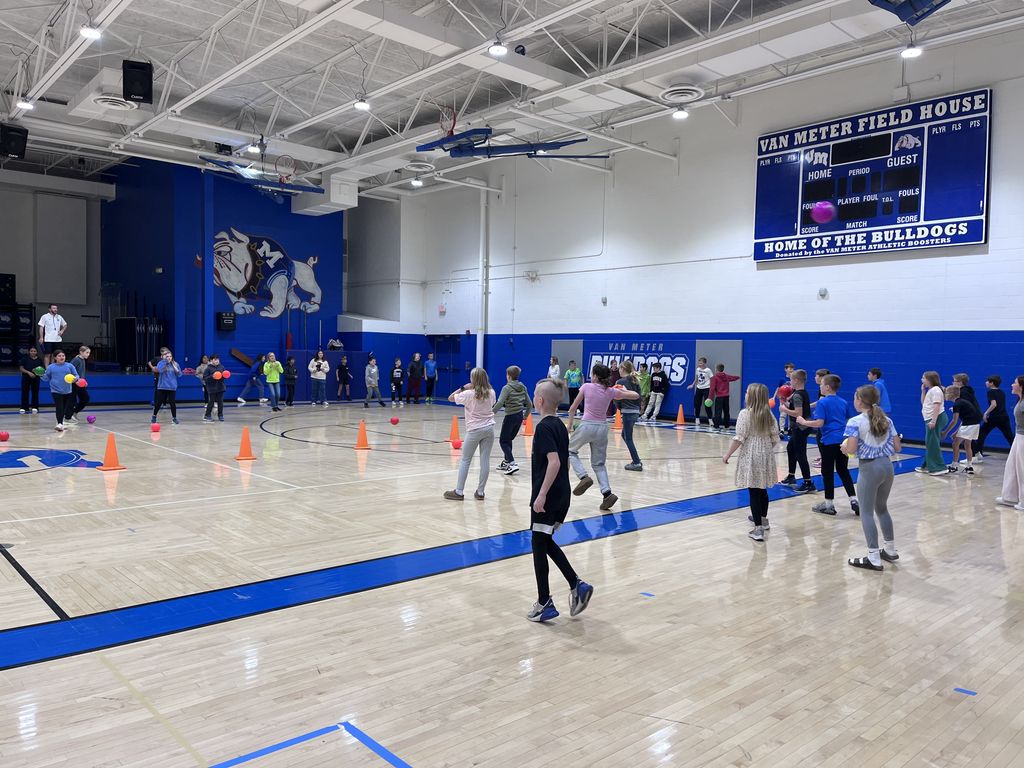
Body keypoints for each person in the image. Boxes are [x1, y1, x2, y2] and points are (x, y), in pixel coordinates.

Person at [526, 377, 593, 623]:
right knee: (543, 542)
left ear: (540, 400)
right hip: (562, 493)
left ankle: (544, 601)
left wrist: (541, 494)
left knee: (538, 544)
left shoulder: (544, 427)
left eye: (534, 394)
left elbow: (554, 462)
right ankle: (577, 585)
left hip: (549, 493)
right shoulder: (559, 426)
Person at [842, 385, 902, 571]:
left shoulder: (855, 421)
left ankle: (873, 557)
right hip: (887, 466)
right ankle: (890, 550)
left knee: (866, 512)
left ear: (859, 400)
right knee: (882, 509)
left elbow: (851, 450)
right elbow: (897, 447)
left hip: (869, 468)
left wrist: (845, 449)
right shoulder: (887, 420)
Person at [566, 363, 640, 511]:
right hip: (602, 428)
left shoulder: (586, 387)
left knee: (570, 451)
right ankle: (607, 494)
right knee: (599, 464)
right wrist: (623, 389)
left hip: (587, 425)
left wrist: (569, 426)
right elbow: (636, 395)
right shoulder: (611, 391)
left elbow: (572, 408)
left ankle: (583, 477)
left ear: (595, 376)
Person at [723, 383, 779, 542]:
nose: (745, 394)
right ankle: (763, 519)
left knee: (753, 490)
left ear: (752, 397)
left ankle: (758, 529)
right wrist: (765, 448)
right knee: (762, 489)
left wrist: (727, 455)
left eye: (747, 392)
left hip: (751, 454)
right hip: (766, 453)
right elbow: (775, 438)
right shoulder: (769, 415)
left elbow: (739, 438)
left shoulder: (745, 414)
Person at [797, 373, 859, 515]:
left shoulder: (822, 402)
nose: (819, 387)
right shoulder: (843, 402)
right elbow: (848, 419)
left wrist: (804, 422)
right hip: (843, 441)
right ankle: (854, 499)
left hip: (829, 441)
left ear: (827, 387)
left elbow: (819, 423)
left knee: (828, 472)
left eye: (821, 384)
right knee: (843, 471)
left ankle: (829, 504)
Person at [444, 368, 496, 501]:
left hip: (474, 430)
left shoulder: (468, 394)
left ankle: (459, 491)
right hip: (489, 428)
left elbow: (450, 398)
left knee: (465, 460)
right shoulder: (491, 392)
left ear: (474, 380)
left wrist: (463, 388)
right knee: (485, 460)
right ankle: (480, 492)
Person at [778, 368, 816, 494]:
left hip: (800, 428)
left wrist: (784, 410)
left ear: (796, 380)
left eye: (791, 379)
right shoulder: (800, 393)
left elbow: (798, 413)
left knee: (800, 454)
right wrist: (785, 403)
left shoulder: (798, 394)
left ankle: (808, 482)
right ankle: (791, 476)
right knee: (790, 448)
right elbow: (795, 407)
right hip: (799, 427)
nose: (790, 382)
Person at [494, 365, 532, 475]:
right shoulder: (522, 386)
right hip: (519, 416)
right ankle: (506, 462)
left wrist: (491, 413)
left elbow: (500, 402)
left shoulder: (506, 388)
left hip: (510, 416)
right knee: (508, 439)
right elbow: (529, 404)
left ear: (509, 376)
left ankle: (512, 463)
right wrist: (525, 416)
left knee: (503, 441)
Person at [995, 375, 1024, 511]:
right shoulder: (1020, 400)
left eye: (1015, 383)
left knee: (1022, 469)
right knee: (1012, 467)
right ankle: (1010, 497)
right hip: (1019, 437)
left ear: (1021, 386)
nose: (1012, 385)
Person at [943, 384, 981, 475]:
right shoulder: (962, 402)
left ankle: (954, 466)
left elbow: (954, 421)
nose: (945, 395)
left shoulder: (957, 404)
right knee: (967, 444)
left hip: (969, 425)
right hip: (975, 425)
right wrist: (956, 432)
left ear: (951, 394)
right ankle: (969, 466)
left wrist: (945, 432)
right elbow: (965, 419)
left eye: (946, 393)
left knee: (955, 444)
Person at [916, 370, 948, 475]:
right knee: (930, 442)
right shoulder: (931, 390)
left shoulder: (936, 390)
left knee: (932, 443)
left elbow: (937, 406)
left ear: (929, 379)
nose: (921, 379)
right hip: (932, 418)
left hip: (936, 418)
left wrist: (933, 421)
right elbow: (924, 403)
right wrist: (923, 391)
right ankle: (927, 466)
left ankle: (939, 467)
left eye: (923, 377)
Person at [975, 375, 1014, 460]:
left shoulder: (991, 392)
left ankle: (978, 455)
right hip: (1004, 417)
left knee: (981, 434)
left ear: (992, 383)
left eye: (987, 381)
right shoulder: (1002, 392)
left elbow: (994, 404)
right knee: (1010, 436)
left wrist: (986, 413)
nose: (986, 383)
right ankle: (1018, 453)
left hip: (994, 417)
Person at [616, 360, 644, 471]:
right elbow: (639, 396)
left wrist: (619, 408)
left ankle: (637, 462)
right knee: (625, 435)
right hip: (635, 411)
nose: (618, 370)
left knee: (628, 438)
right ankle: (636, 460)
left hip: (627, 411)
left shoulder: (620, 381)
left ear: (622, 369)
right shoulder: (635, 380)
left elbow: (617, 396)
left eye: (619, 368)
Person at [41, 349, 77, 431]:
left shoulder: (70, 366)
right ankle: (60, 423)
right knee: (59, 407)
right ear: (55, 358)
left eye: (63, 356)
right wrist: (41, 375)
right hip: (56, 391)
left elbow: (76, 375)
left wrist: (75, 379)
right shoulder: (51, 367)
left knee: (64, 408)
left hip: (67, 390)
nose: (62, 357)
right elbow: (46, 378)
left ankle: (60, 422)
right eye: (59, 356)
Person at [153, 350, 182, 425]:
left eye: (170, 356)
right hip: (162, 387)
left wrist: (177, 371)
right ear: (164, 357)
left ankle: (174, 418)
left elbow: (179, 375)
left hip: (172, 387)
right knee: (159, 403)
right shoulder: (161, 363)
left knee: (172, 403)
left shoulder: (175, 364)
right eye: (167, 356)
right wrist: (165, 362)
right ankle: (154, 415)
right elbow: (160, 370)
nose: (169, 358)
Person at [710, 363, 740, 432]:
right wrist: (738, 377)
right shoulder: (726, 376)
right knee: (726, 411)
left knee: (718, 412)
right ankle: (727, 426)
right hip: (726, 396)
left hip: (719, 397)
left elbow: (712, 388)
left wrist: (710, 397)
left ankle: (716, 426)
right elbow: (733, 378)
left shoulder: (715, 377)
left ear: (716, 369)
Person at [687, 357, 714, 429]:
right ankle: (697, 419)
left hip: (706, 388)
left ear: (705, 363)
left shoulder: (708, 370)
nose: (699, 364)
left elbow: (712, 380)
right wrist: (692, 385)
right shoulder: (698, 369)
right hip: (699, 388)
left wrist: (712, 388)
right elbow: (696, 378)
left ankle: (710, 420)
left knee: (707, 405)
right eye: (699, 363)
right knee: (697, 404)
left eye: (701, 363)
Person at [68, 345, 91, 423]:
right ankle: (68, 416)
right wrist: (75, 380)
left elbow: (81, 373)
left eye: (89, 353)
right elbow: (69, 370)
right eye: (87, 352)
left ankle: (74, 412)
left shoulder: (83, 360)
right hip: (74, 383)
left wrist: (84, 381)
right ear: (81, 352)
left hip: (81, 384)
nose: (88, 354)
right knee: (72, 400)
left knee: (85, 398)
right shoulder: (76, 360)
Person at [202, 353, 226, 422]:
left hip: (220, 387)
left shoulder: (221, 367)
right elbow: (205, 378)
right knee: (211, 402)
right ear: (211, 360)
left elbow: (223, 376)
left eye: (218, 359)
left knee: (220, 402)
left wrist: (224, 376)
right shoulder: (208, 368)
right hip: (212, 388)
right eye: (215, 359)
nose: (217, 361)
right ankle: (207, 415)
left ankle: (220, 415)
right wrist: (212, 376)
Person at [18, 346, 42, 414]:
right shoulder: (25, 359)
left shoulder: (39, 360)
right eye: (31, 351)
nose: (33, 352)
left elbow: (42, 369)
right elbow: (21, 368)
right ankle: (24, 407)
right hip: (26, 378)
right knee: (25, 392)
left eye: (34, 351)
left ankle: (35, 407)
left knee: (35, 392)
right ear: (29, 352)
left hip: (36, 378)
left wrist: (36, 371)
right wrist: (28, 372)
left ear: (36, 352)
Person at [773, 362, 795, 435]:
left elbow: (795, 390)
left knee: (790, 414)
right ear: (785, 369)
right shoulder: (782, 379)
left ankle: (790, 429)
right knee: (783, 414)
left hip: (791, 399)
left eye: (792, 368)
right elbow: (778, 388)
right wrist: (774, 397)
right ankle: (781, 430)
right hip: (783, 399)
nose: (791, 370)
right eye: (790, 368)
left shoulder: (794, 379)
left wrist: (790, 397)